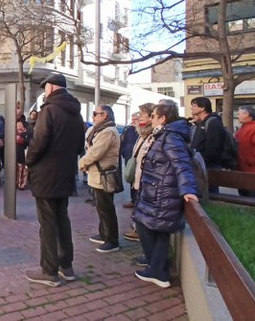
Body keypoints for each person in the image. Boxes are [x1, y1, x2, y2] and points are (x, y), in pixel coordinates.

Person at [25, 73, 85, 287]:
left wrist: (28, 160)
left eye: (45, 89)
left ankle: (49, 271)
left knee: (48, 224)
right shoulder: (76, 114)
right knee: (62, 220)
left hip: (46, 176)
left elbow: (38, 142)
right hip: (65, 175)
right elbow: (80, 147)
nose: (44, 93)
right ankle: (66, 267)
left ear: (50, 88)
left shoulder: (48, 111)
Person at [134, 101, 199, 289]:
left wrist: (188, 190)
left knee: (148, 226)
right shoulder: (165, 135)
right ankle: (157, 267)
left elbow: (182, 165)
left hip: (162, 193)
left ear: (162, 118)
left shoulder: (170, 137)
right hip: (158, 191)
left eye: (153, 115)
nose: (151, 119)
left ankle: (158, 271)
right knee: (157, 229)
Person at [79, 104, 121, 253]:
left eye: (96, 114)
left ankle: (112, 239)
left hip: (104, 175)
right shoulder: (99, 130)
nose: (93, 117)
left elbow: (96, 152)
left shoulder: (108, 131)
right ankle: (104, 233)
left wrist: (82, 163)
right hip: (97, 174)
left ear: (104, 115)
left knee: (106, 208)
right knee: (101, 207)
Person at [123, 103, 155, 243]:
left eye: (142, 115)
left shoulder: (153, 135)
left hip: (146, 181)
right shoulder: (141, 134)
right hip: (138, 179)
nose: (139, 117)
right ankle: (138, 230)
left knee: (145, 211)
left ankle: (141, 234)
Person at [190, 97, 228, 183]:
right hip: (201, 164)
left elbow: (214, 145)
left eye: (194, 106)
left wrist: (206, 159)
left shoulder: (212, 122)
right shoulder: (201, 123)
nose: (191, 108)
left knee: (211, 191)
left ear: (203, 108)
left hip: (209, 165)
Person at [15, 114, 31, 190]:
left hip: (23, 151)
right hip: (15, 151)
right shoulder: (13, 129)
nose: (19, 127)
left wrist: (23, 139)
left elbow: (29, 139)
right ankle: (16, 182)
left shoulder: (27, 129)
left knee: (23, 168)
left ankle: (22, 184)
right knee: (16, 168)